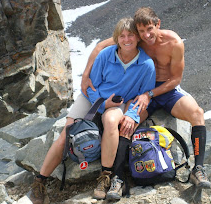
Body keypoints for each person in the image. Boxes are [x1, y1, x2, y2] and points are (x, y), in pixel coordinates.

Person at [81, 7, 211, 190]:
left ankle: (198, 169)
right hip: (141, 91)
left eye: (150, 29)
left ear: (158, 24)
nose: (147, 35)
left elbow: (176, 79)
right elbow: (100, 46)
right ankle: (118, 179)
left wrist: (149, 94)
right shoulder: (136, 39)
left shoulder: (174, 42)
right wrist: (86, 75)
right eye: (142, 31)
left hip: (165, 90)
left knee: (197, 113)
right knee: (127, 124)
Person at [29, 17, 156, 203]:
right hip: (94, 98)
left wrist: (130, 114)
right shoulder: (106, 55)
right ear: (116, 38)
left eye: (130, 35)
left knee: (111, 122)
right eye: (122, 36)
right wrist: (103, 104)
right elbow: (90, 87)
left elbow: (143, 96)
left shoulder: (146, 65)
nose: (126, 39)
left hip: (119, 103)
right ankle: (39, 182)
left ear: (138, 38)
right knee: (67, 133)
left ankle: (104, 177)